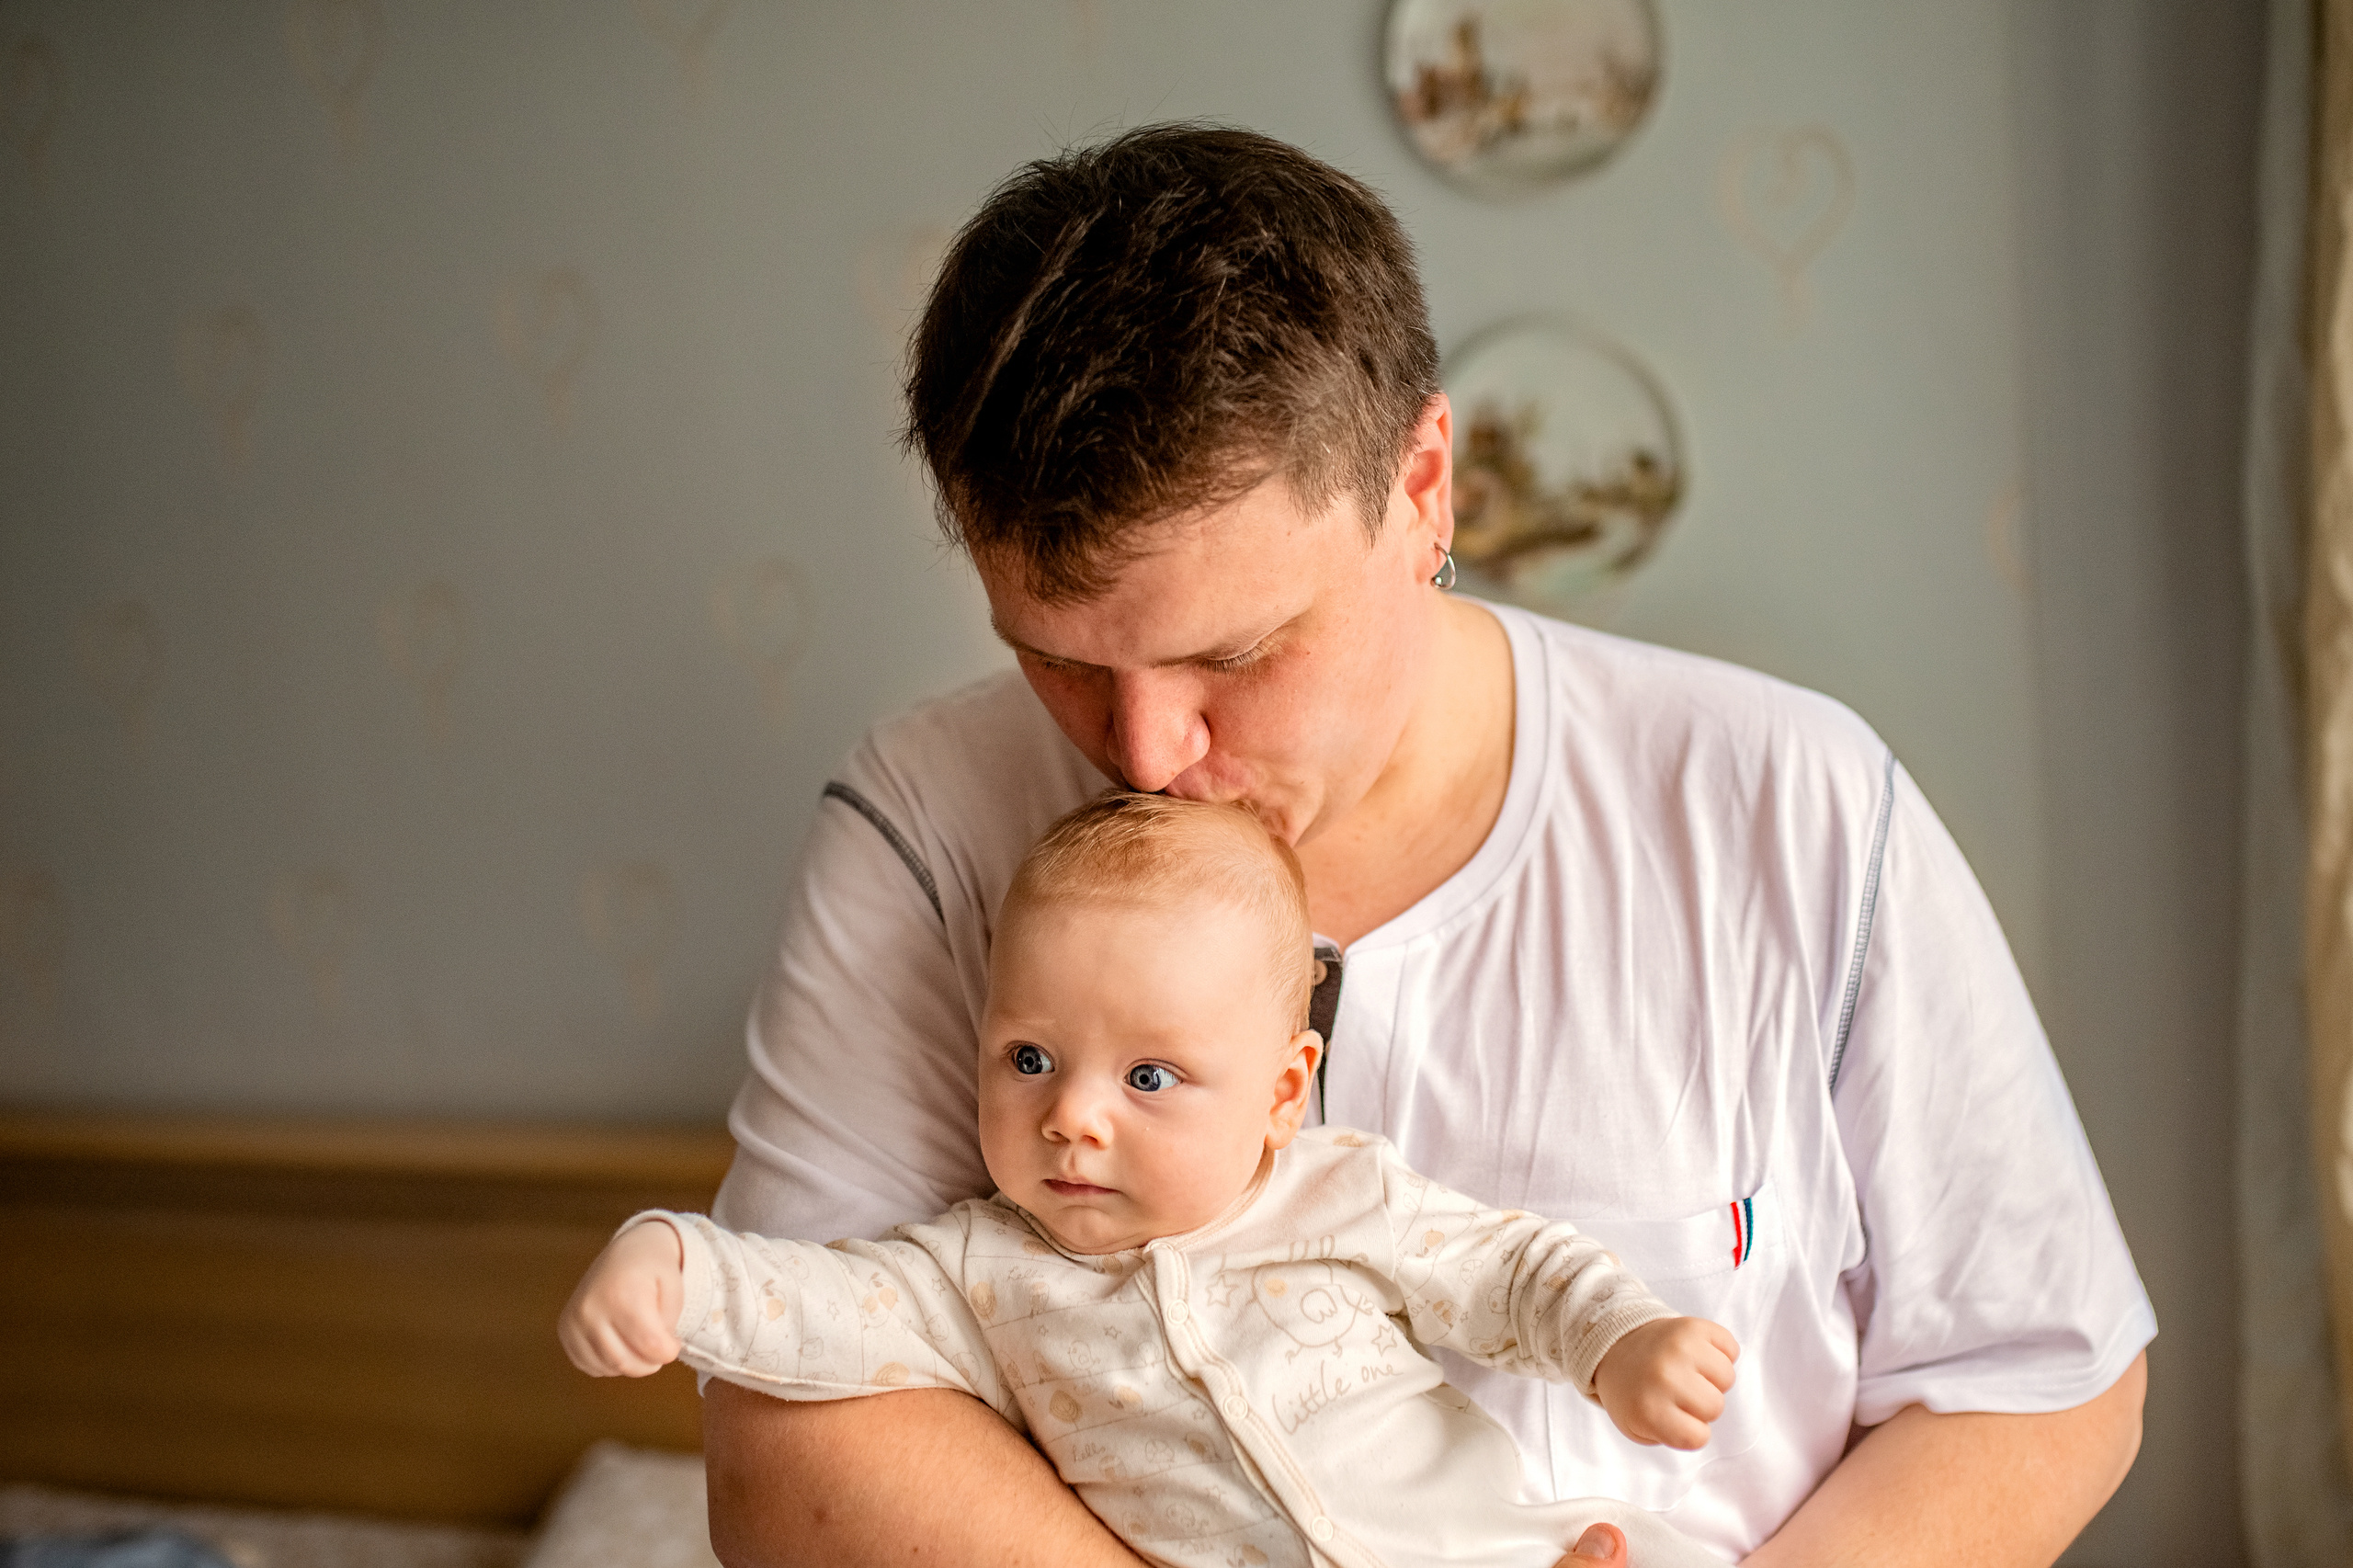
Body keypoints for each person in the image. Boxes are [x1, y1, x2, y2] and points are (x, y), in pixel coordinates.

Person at [702, 124, 2154, 1568]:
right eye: (1061, 661)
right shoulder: (925, 819)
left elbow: (2040, 1378)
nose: (1142, 757)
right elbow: (795, 1447)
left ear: (1423, 487)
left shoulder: (1793, 802)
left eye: (1239, 653)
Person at [564, 792, 1742, 1568]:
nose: (1071, 1115)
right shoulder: (978, 1275)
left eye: (1150, 1075)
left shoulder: (1342, 1195)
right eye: (1028, 1058)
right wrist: (677, 1264)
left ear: (1284, 1093)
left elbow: (1508, 1270)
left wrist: (1618, 1340)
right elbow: (815, 1310)